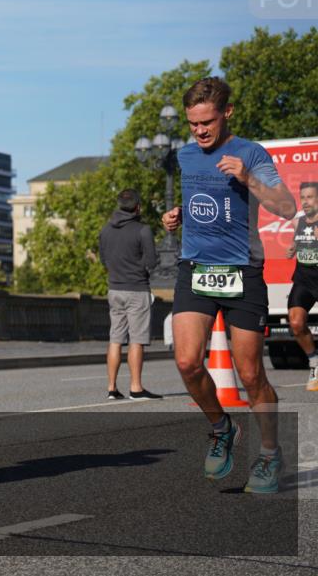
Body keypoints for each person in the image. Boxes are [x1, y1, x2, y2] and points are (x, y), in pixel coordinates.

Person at [162, 77, 296, 494]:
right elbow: (207, 201)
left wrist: (248, 179)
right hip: (196, 269)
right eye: (192, 124)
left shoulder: (250, 153)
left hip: (243, 272)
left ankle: (270, 455)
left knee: (251, 373)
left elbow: (287, 206)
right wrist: (178, 215)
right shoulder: (185, 155)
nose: (199, 131)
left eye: (207, 122)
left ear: (227, 113)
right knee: (186, 362)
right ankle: (222, 427)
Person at [98, 189, 162, 400]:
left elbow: (103, 259)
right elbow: (152, 262)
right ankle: (136, 387)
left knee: (115, 339)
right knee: (137, 339)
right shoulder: (143, 230)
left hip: (114, 289)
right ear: (138, 207)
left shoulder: (106, 230)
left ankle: (111, 388)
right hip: (137, 289)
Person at [286, 182, 318, 391]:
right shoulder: (298, 222)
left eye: (310, 197)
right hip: (304, 278)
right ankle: (315, 363)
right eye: (303, 197)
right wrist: (292, 248)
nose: (306, 202)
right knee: (296, 323)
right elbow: (295, 244)